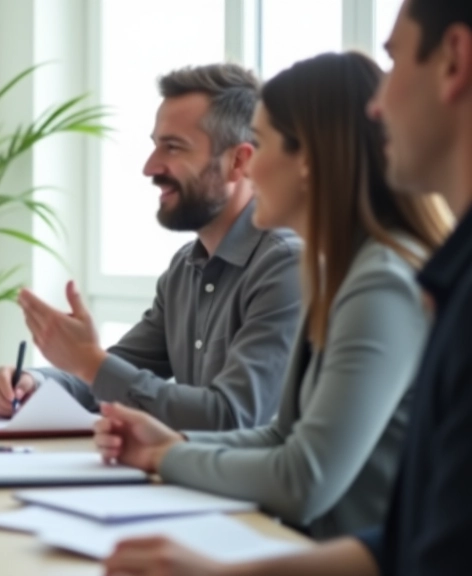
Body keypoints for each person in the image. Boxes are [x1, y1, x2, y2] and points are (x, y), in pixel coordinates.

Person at [97, 0, 472, 574]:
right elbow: (282, 434)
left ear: (308, 162)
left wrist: (170, 457)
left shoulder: (383, 282)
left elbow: (305, 477)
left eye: (263, 145)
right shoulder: (339, 272)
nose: (247, 168)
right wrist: (169, 448)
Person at [0, 64, 302, 431]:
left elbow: (230, 416)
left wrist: (89, 362)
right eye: (155, 145)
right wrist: (37, 384)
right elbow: (114, 373)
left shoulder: (285, 266)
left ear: (239, 162)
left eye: (173, 147)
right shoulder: (185, 268)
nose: (150, 167)